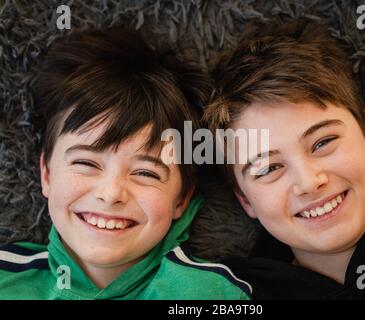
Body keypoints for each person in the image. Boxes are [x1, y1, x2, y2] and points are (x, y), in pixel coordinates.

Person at [0, 27, 251, 300]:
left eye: (145, 172)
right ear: (47, 174)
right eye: (86, 163)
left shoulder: (213, 296)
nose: (110, 194)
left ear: (181, 199)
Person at [203, 18, 365, 299]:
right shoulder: (227, 295)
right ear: (245, 200)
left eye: (323, 142)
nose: (309, 183)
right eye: (269, 168)